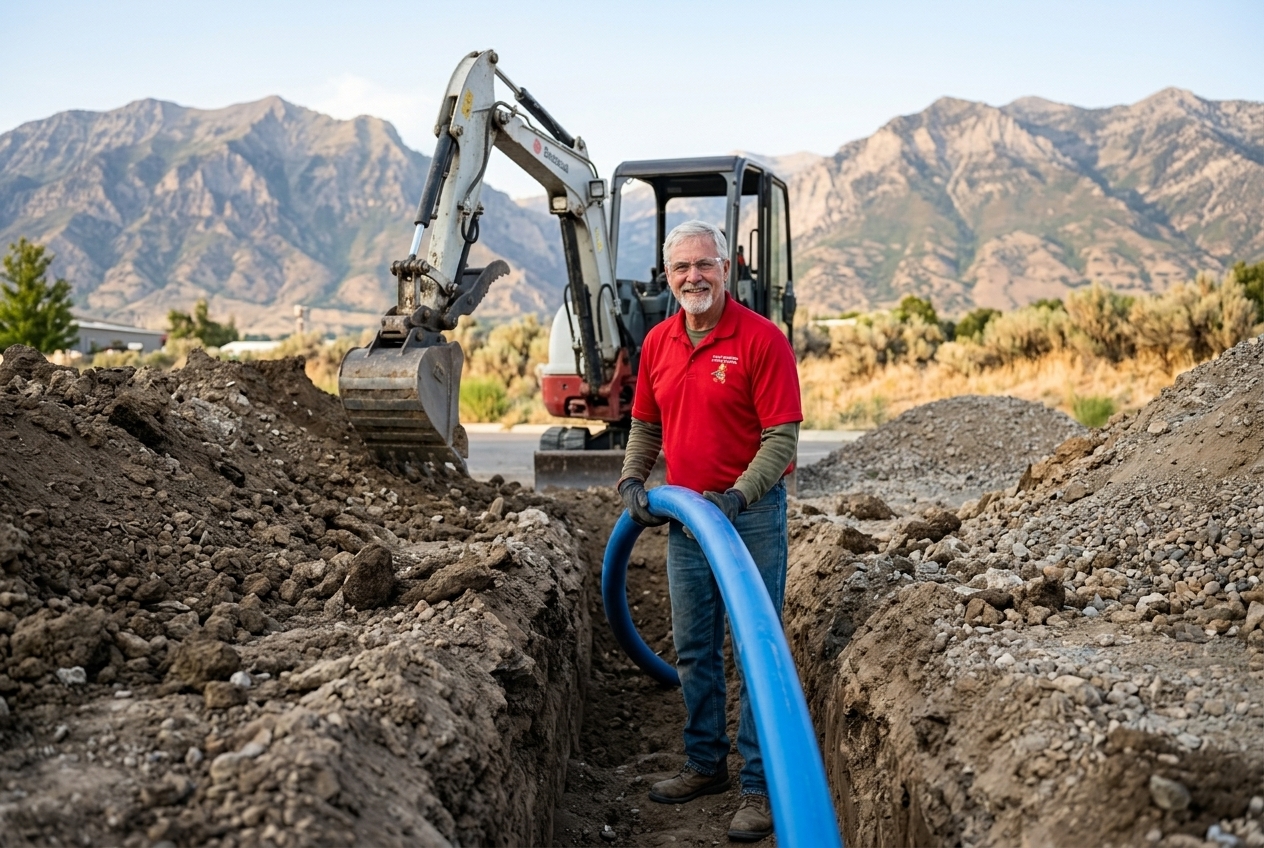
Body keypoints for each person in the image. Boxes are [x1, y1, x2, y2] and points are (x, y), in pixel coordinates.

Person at [617, 219, 801, 842]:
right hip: (687, 520)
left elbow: (782, 439)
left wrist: (737, 496)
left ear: (727, 268)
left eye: (704, 265)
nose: (692, 277)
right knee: (695, 648)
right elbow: (645, 424)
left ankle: (759, 783)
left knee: (755, 649)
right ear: (667, 278)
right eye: (680, 268)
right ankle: (705, 764)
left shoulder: (761, 340)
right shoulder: (659, 343)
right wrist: (631, 480)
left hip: (749, 518)